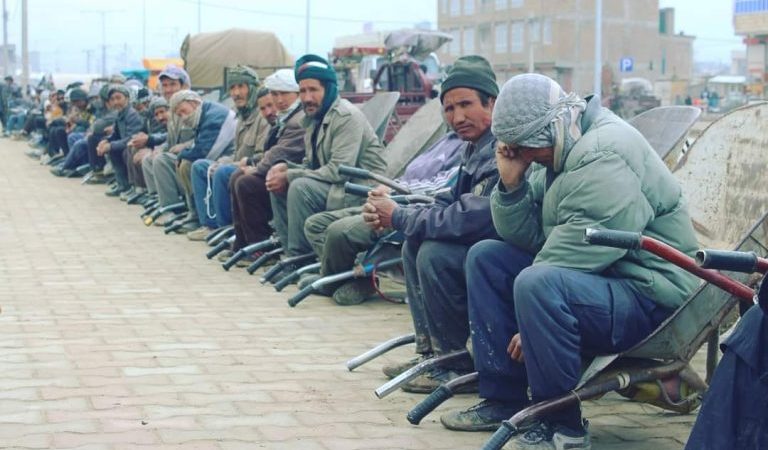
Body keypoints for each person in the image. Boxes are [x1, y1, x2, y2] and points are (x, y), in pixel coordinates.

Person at [440, 74, 699, 449]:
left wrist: (532, 320)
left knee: (537, 284)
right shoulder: (560, 144)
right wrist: (511, 188)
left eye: (528, 148)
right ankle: (503, 399)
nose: (525, 156)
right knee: (487, 258)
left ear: (549, 129)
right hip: (606, 278)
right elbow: (532, 238)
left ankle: (562, 426)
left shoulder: (604, 153)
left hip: (650, 294)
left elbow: (584, 245)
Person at [361, 56, 501, 387]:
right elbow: (448, 199)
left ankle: (458, 365)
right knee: (413, 243)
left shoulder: (502, 146)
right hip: (483, 243)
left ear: (492, 103)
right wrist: (398, 213)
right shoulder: (474, 146)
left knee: (436, 254)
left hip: (506, 252)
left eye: (466, 104)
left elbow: (471, 218)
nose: (457, 117)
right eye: (449, 109)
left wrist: (398, 215)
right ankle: (432, 354)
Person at [302, 131, 463, 305]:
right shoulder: (446, 139)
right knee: (315, 224)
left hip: (411, 209)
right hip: (394, 196)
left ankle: (332, 282)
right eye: (450, 113)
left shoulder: (469, 146)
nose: (457, 118)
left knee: (339, 231)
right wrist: (389, 187)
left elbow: (444, 187)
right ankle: (347, 279)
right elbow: (412, 175)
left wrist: (392, 189)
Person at [266, 54, 386, 262]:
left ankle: (300, 260)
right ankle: (289, 255)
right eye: (302, 91)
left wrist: (291, 175)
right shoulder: (314, 118)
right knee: (277, 180)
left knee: (299, 187)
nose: (307, 98)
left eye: (313, 90)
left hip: (359, 190)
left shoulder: (346, 116)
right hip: (336, 187)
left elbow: (339, 170)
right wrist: (284, 169)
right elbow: (311, 165)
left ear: (329, 89)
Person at [225, 69, 306, 263]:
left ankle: (261, 246)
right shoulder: (287, 116)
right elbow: (272, 150)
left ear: (296, 93)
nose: (279, 100)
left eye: (284, 93)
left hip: (294, 171)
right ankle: (244, 242)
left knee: (246, 183)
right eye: (275, 94)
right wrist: (254, 163)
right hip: (280, 167)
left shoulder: (297, 119)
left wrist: (256, 168)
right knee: (237, 176)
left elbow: (281, 152)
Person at [186, 65, 271, 241]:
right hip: (238, 163)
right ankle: (209, 225)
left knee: (223, 172)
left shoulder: (263, 115)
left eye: (241, 86)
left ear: (253, 88)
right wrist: (224, 160)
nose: (236, 93)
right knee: (200, 166)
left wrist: (228, 164)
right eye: (232, 88)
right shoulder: (241, 116)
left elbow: (260, 156)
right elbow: (237, 153)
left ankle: (227, 230)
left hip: (253, 168)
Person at [166, 89, 237, 231]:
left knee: (192, 165)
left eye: (183, 111)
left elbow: (205, 152)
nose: (183, 117)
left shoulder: (214, 115)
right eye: (179, 115)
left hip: (232, 158)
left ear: (193, 102)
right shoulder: (205, 113)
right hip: (226, 156)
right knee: (185, 163)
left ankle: (206, 221)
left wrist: (182, 154)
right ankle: (196, 214)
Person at [96, 84, 144, 197]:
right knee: (112, 149)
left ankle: (134, 186)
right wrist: (106, 141)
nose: (115, 102)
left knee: (123, 150)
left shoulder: (132, 115)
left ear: (127, 98)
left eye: (118, 98)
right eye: (112, 99)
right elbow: (115, 134)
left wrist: (111, 145)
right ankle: (122, 185)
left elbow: (132, 137)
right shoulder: (120, 114)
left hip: (136, 145)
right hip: (126, 143)